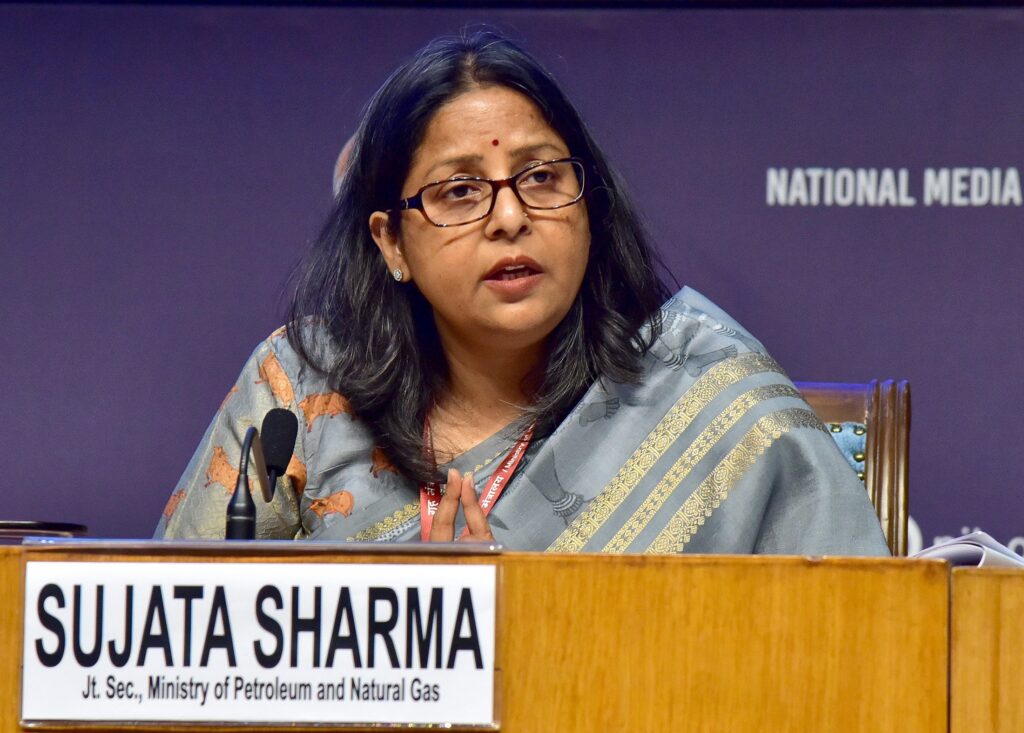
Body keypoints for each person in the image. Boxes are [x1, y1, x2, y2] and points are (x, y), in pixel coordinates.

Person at [155, 31, 889, 555]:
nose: (511, 217)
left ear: (588, 204)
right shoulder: (303, 389)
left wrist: (520, 627)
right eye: (460, 190)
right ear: (390, 242)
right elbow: (176, 651)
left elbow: (853, 644)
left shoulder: (703, 390)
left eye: (542, 178)